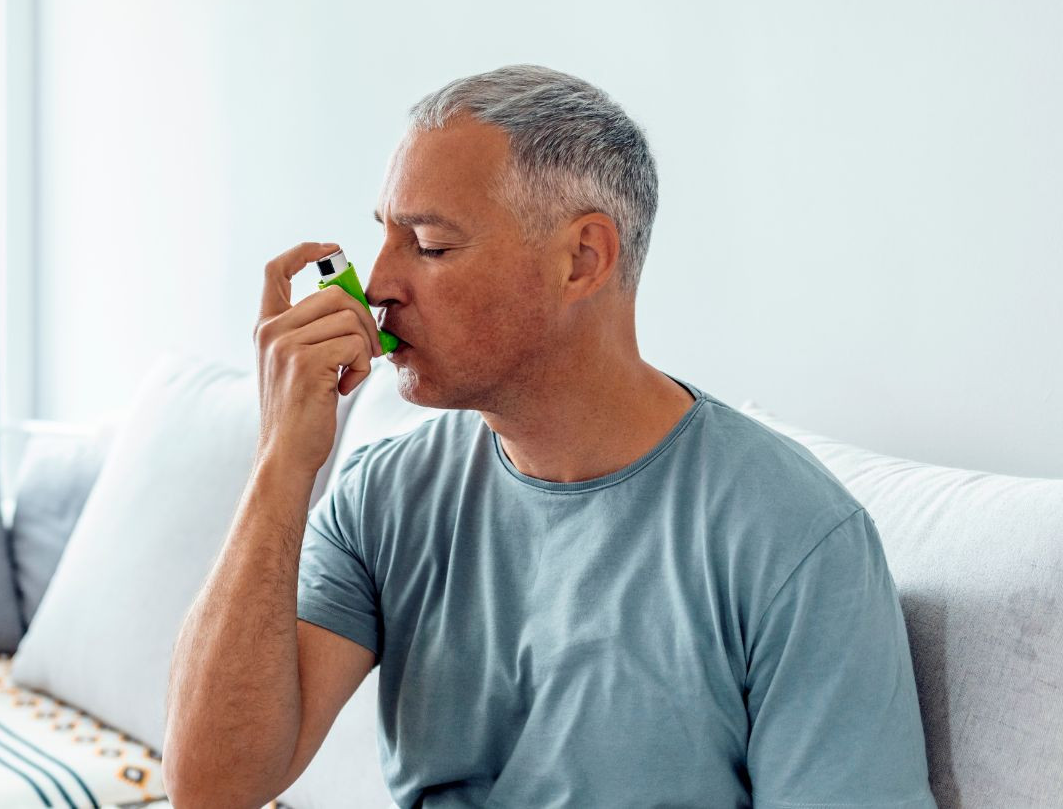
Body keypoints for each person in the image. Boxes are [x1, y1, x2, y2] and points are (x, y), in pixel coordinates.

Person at [164, 64, 935, 808]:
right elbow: (209, 788)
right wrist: (281, 464)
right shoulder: (382, 498)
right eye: (385, 239)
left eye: (429, 246)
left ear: (582, 259)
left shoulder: (793, 537)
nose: (379, 286)